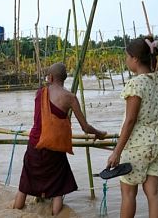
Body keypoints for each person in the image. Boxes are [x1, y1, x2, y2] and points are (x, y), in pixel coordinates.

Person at [13, 62, 106, 215]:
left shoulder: (40, 93)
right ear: (65, 78)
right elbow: (85, 127)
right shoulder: (70, 98)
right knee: (57, 187)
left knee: (25, 184)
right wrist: (99, 134)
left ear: (49, 77)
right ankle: (56, 214)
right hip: (54, 147)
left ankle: (16, 212)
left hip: (35, 144)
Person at [105, 37, 158, 218]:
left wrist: (117, 151)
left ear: (135, 59)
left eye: (127, 57)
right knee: (154, 192)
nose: (126, 61)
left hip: (137, 145)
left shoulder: (136, 84)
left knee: (128, 194)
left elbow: (130, 121)